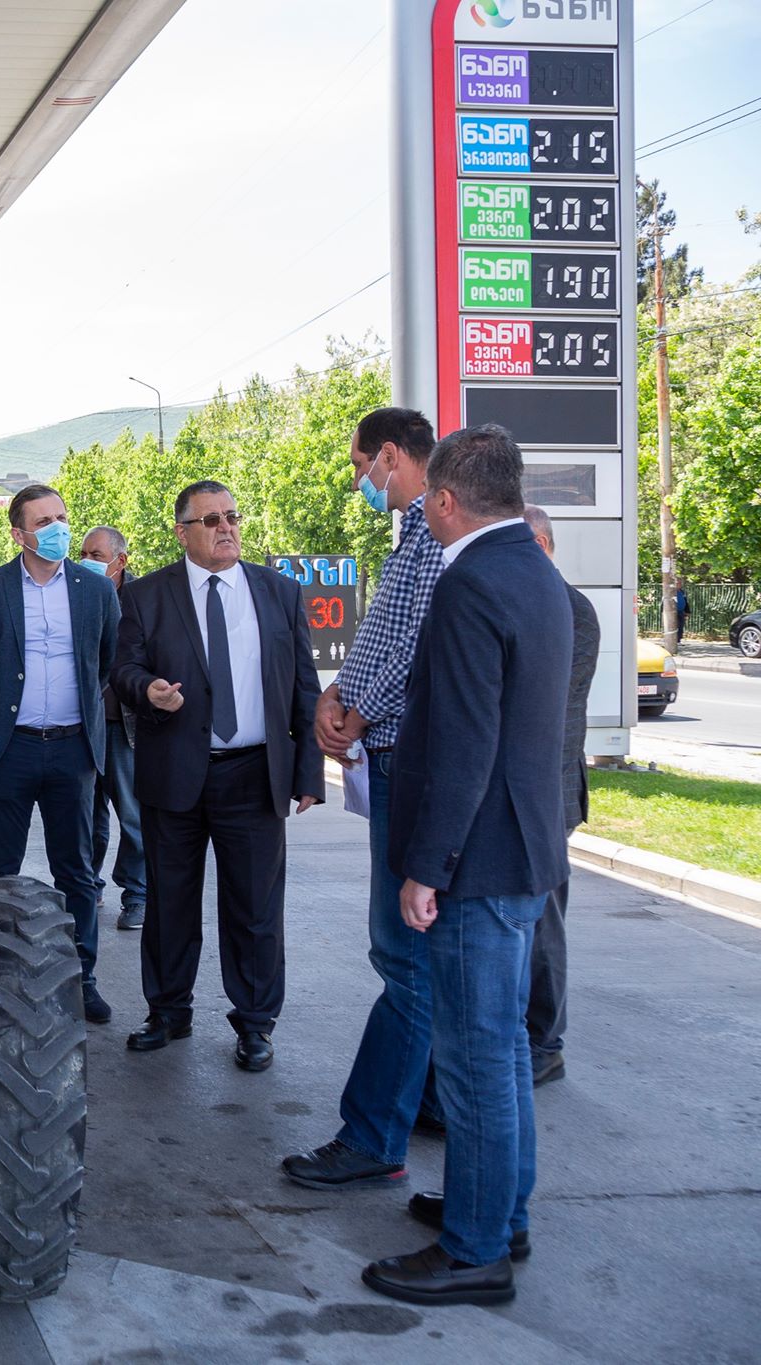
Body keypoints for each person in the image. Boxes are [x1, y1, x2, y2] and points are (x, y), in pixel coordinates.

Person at [361, 424, 571, 1308]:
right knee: (506, 1049)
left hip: (475, 861)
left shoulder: (468, 582)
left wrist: (428, 867)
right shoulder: (535, 569)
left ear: (445, 500)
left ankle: (475, 1249)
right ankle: (500, 1210)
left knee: (476, 1056)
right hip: (522, 852)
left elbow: (461, 742)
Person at [282, 407, 447, 1190]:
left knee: (403, 953)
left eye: (359, 467)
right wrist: (337, 693)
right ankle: (424, 1099)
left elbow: (415, 647)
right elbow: (383, 636)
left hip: (409, 760)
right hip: (389, 750)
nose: (359, 483)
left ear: (389, 455)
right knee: (413, 952)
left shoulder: (438, 535)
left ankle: (376, 1132)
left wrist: (353, 710)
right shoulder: (413, 534)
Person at [110, 481, 323, 1071]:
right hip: (176, 772)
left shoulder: (279, 591)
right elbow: (122, 669)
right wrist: (147, 690)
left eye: (231, 516)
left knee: (255, 908)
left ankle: (255, 1024)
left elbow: (303, 686)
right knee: (170, 904)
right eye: (210, 520)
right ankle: (167, 1011)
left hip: (254, 774)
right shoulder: (147, 596)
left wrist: (308, 770)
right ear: (183, 532)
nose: (226, 527)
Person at [0, 486, 121, 1024]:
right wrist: (4, 705)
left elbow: (105, 662)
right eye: (44, 521)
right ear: (18, 534)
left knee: (78, 871)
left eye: (61, 517)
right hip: (11, 750)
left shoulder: (96, 591)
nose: (57, 529)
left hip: (74, 751)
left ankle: (82, 978)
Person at [520, 503, 596, 1087]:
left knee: (543, 925)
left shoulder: (568, 609)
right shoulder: (536, 600)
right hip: (531, 791)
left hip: (546, 793)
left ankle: (545, 1044)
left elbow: (549, 715)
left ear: (541, 545)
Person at [80, 525, 146, 932]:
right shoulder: (77, 594)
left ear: (120, 561)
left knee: (133, 817)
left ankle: (137, 895)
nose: (87, 561)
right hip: (83, 726)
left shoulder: (143, 600)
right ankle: (87, 886)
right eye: (83, 553)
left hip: (125, 727)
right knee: (87, 817)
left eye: (97, 555)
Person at [674, 580, 689, 647]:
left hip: (681, 611)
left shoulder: (682, 592)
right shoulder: (671, 592)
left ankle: (678, 640)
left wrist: (687, 611)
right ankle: (673, 640)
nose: (679, 584)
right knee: (675, 626)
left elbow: (685, 601)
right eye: (678, 583)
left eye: (680, 583)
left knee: (681, 626)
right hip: (673, 612)